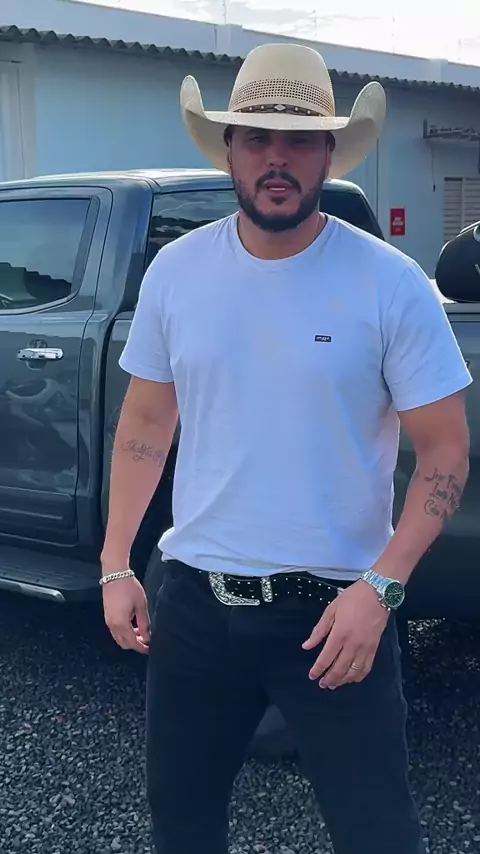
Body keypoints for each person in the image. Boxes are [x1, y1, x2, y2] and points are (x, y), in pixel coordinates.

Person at [100, 43, 472, 854]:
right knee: (182, 825)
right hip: (193, 604)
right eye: (258, 138)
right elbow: (146, 425)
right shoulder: (177, 272)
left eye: (300, 140)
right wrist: (116, 562)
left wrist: (382, 589)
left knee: (378, 834)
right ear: (228, 148)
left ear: (329, 154)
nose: (278, 158)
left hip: (339, 613)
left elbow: (444, 452)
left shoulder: (388, 283)